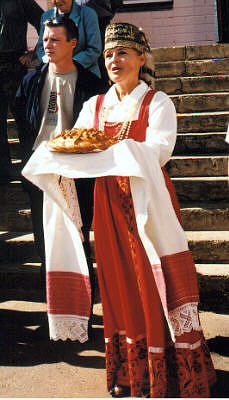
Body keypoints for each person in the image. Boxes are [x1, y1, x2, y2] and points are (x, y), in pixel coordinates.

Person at [72, 22, 216, 397]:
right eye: (107, 55)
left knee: (156, 283)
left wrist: (110, 151)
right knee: (119, 284)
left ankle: (170, 374)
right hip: (109, 208)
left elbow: (159, 148)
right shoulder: (96, 105)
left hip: (149, 204)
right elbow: (78, 145)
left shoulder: (158, 102)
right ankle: (129, 374)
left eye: (122, 53)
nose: (114, 61)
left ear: (140, 58)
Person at [14, 16, 103, 320]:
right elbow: (23, 122)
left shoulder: (92, 85)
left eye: (54, 40)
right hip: (41, 173)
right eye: (44, 39)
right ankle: (54, 312)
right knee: (43, 243)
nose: (46, 45)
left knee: (79, 240)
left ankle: (84, 312)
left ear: (73, 44)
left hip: (77, 176)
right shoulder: (30, 81)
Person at [0, 0, 43, 184]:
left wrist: (33, 54)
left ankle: (29, 172)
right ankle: (3, 172)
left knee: (24, 121)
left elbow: (45, 22)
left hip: (14, 65)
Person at [36, 0, 102, 78]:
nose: (58, 1)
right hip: (55, 74)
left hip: (84, 74)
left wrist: (68, 65)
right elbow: (40, 48)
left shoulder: (88, 14)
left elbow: (94, 49)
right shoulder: (46, 16)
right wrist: (50, 61)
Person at [77, 0, 123, 83]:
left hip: (100, 15)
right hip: (74, 17)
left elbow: (117, 3)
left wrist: (107, 8)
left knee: (102, 55)